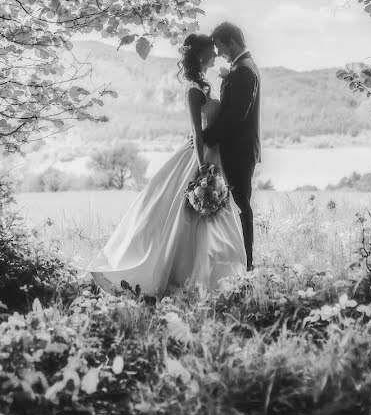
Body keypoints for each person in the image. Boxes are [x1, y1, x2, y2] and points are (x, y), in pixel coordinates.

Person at [89, 34, 246, 297]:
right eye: (211, 51)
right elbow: (197, 132)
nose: (216, 55)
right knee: (187, 218)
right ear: (201, 55)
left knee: (214, 217)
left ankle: (215, 277)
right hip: (200, 156)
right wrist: (202, 166)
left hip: (215, 155)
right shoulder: (194, 91)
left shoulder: (207, 86)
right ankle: (184, 276)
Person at [202, 22, 261, 270]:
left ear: (231, 42)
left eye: (220, 47)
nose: (218, 53)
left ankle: (247, 264)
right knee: (236, 204)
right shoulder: (241, 67)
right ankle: (238, 260)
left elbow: (236, 115)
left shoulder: (245, 71)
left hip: (239, 149)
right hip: (236, 147)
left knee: (240, 205)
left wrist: (206, 137)